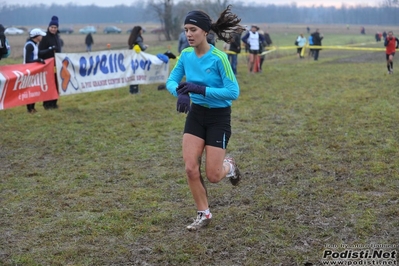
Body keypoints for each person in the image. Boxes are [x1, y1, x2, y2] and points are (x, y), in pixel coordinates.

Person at [165, 5, 244, 231]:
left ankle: (229, 166)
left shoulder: (219, 58)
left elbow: (233, 92)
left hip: (219, 117)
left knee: (213, 175)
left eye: (193, 29)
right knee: (190, 168)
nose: (188, 34)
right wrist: (180, 93)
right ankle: (204, 213)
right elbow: (172, 81)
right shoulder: (186, 55)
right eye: (186, 30)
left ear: (205, 31)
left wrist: (200, 90)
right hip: (196, 115)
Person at [39, 15, 62, 110]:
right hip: (48, 64)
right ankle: (47, 104)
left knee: (57, 83)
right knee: (49, 84)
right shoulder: (45, 37)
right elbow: (40, 51)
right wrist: (50, 50)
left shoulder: (57, 37)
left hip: (57, 64)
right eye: (52, 27)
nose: (53, 29)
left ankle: (54, 102)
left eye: (55, 27)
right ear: (48, 27)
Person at [23, 29, 47, 113]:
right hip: (29, 71)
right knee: (30, 90)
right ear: (37, 36)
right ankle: (29, 109)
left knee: (35, 89)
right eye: (41, 35)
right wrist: (38, 60)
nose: (42, 37)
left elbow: (38, 53)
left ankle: (32, 107)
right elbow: (27, 61)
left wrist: (50, 49)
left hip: (33, 70)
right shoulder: (30, 45)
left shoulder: (34, 44)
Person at [128, 26, 148, 94]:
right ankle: (135, 90)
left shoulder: (131, 38)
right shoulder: (138, 38)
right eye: (141, 30)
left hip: (132, 58)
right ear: (139, 31)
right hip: (137, 59)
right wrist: (145, 46)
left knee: (132, 73)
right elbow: (142, 48)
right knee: (136, 74)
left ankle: (131, 90)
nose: (142, 31)